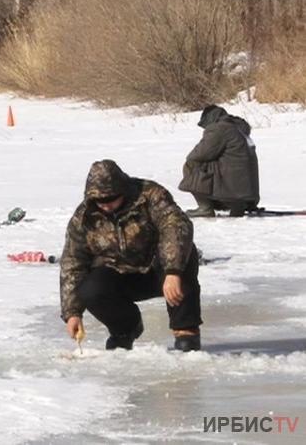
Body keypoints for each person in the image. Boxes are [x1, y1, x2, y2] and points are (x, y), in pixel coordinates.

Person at [60, 159, 202, 352]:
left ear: (123, 191)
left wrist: (173, 271)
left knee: (183, 253)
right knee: (90, 289)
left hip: (160, 270)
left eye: (112, 199)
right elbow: (73, 262)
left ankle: (185, 330)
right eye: (100, 201)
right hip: (121, 275)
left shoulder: (150, 195)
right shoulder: (84, 217)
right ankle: (125, 329)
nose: (106, 206)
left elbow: (176, 226)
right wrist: (72, 312)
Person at [179, 105, 259, 218]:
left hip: (231, 187)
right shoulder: (238, 128)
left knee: (192, 164)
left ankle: (205, 207)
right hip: (247, 190)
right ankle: (238, 205)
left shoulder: (220, 128)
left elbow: (201, 153)